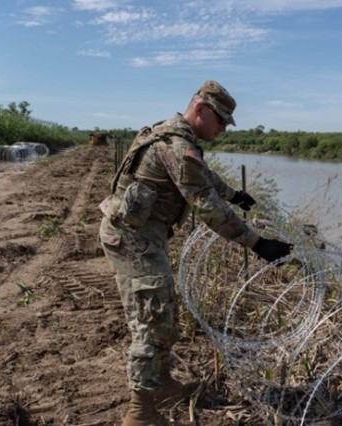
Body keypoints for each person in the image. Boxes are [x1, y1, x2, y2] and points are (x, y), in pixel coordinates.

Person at [98, 80, 293, 426]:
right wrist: (258, 244)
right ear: (199, 109)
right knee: (152, 321)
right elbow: (207, 209)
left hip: (143, 234)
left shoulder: (175, 138)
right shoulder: (176, 146)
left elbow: (201, 174)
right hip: (132, 238)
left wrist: (233, 194)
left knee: (164, 312)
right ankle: (139, 412)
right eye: (219, 120)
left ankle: (161, 384)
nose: (222, 129)